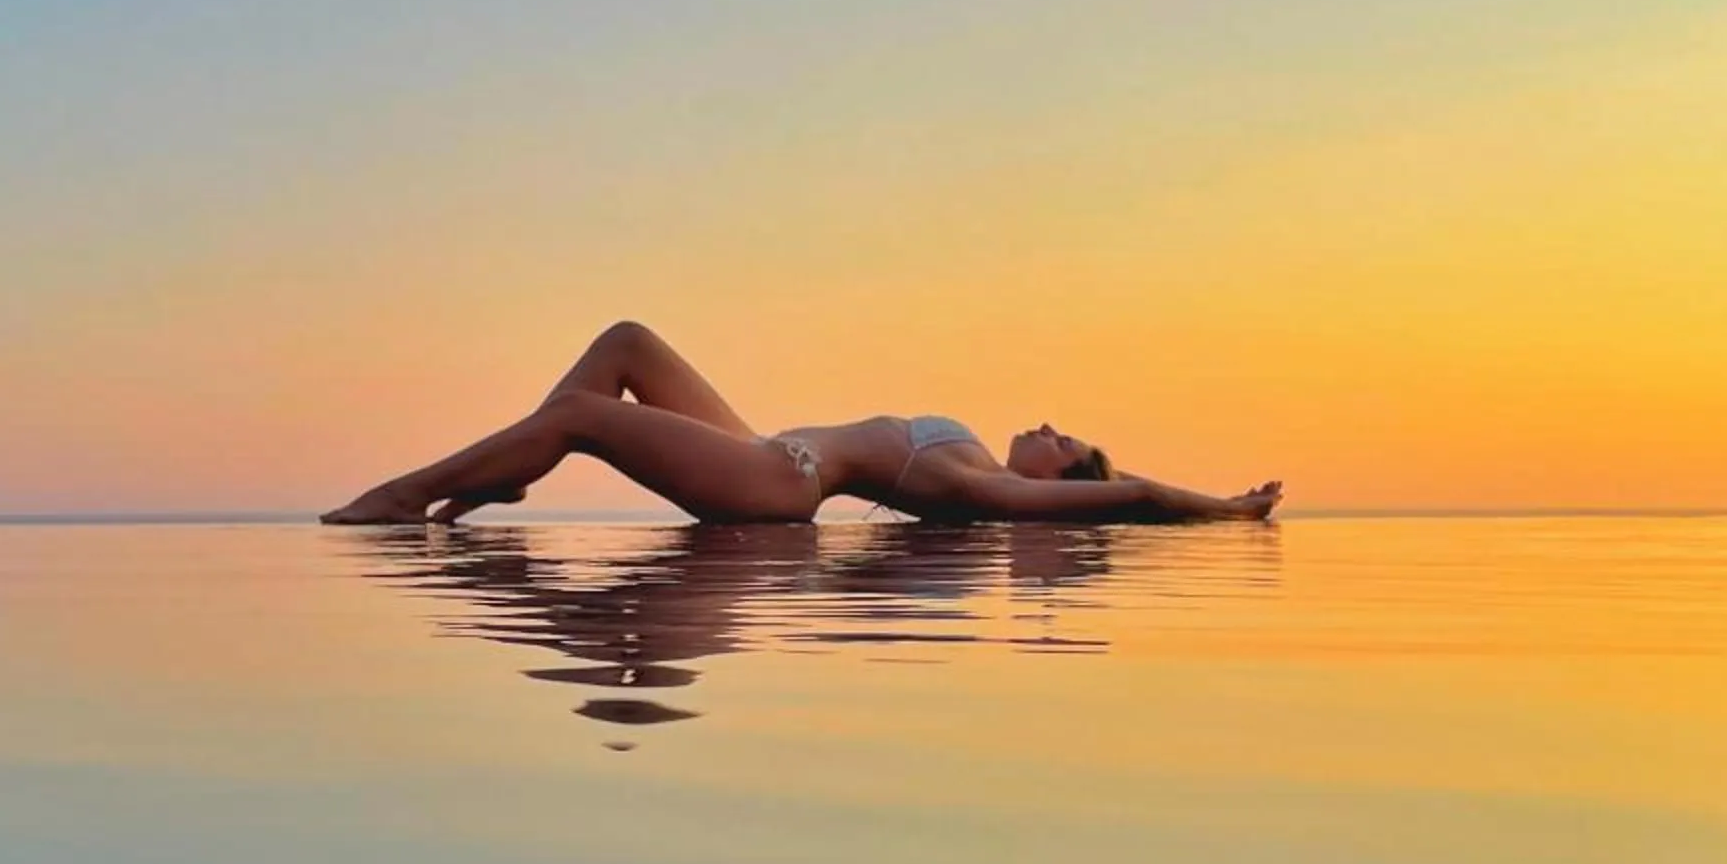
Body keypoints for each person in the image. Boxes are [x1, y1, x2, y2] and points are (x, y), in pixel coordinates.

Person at [322, 321, 1282, 527]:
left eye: (1067, 440)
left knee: (581, 414)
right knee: (625, 345)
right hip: (768, 451)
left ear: (1060, 479)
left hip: (781, 480)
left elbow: (1144, 496)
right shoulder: (984, 459)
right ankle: (510, 470)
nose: (1050, 426)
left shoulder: (990, 487)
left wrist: (1232, 512)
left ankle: (405, 494)